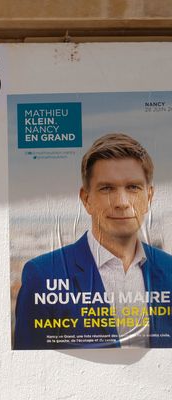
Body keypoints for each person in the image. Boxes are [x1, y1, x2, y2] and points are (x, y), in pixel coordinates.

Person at [14, 133, 172, 349]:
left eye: (133, 187)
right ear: (86, 199)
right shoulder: (43, 275)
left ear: (149, 197)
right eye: (107, 188)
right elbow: (28, 368)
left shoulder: (169, 270)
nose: (122, 203)